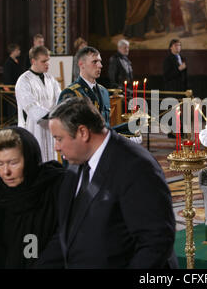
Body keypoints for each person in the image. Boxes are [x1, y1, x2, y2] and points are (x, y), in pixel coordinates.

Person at [36, 97, 178, 268]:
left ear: (83, 132)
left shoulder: (136, 166)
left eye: (59, 139)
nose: (56, 147)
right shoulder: (76, 163)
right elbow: (67, 234)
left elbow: (156, 242)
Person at [0, 127, 64, 269]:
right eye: (0, 164)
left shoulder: (55, 184)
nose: (6, 172)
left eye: (13, 163)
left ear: (30, 160)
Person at [59, 46, 141, 143]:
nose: (100, 65)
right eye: (94, 62)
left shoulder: (103, 91)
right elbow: (66, 132)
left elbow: (104, 128)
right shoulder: (71, 93)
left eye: (100, 61)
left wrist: (129, 128)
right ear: (82, 65)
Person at [15, 46, 61, 162]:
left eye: (48, 60)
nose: (47, 64)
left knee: (51, 160)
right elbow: (31, 107)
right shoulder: (23, 81)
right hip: (32, 129)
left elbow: (60, 99)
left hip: (51, 128)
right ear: (33, 61)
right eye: (43, 61)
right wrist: (54, 114)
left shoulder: (51, 79)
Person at [3, 43, 23, 122]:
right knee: (12, 107)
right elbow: (7, 77)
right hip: (11, 88)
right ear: (13, 51)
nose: (19, 51)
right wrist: (11, 89)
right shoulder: (8, 63)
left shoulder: (17, 61)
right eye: (17, 50)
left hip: (18, 87)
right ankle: (11, 122)